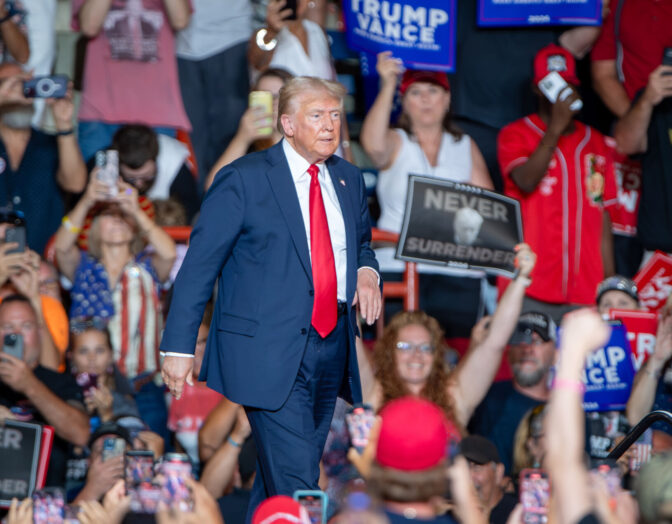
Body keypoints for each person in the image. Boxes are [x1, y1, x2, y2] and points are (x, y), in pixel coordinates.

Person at [160, 76, 381, 517]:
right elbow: (199, 266)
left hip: (331, 346)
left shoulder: (349, 179)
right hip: (266, 352)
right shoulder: (244, 179)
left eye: (335, 115)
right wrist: (178, 346)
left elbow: (361, 242)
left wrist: (367, 271)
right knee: (299, 479)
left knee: (277, 480)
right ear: (287, 124)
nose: (329, 126)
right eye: (316, 116)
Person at [361, 52, 494, 336]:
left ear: (447, 99)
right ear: (404, 102)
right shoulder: (396, 140)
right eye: (415, 92)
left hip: (457, 271)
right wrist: (387, 85)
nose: (425, 99)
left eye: (433, 91)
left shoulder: (464, 145)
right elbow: (372, 146)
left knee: (457, 361)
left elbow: (489, 207)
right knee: (395, 361)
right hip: (398, 266)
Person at [497, 43, 618, 322]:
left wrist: (608, 285)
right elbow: (527, 181)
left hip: (587, 291)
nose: (562, 93)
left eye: (568, 85)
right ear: (538, 89)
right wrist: (555, 129)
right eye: (553, 85)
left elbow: (603, 216)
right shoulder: (515, 134)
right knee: (527, 362)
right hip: (529, 287)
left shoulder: (597, 142)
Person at [358, 244, 535, 433]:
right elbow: (352, 338)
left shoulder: (453, 399)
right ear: (389, 353)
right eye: (405, 346)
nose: (416, 355)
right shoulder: (373, 394)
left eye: (426, 348)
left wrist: (521, 278)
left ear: (437, 356)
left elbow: (494, 343)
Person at [53, 175, 176, 437]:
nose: (118, 219)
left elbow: (169, 253)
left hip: (143, 387)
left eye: (124, 216)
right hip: (91, 386)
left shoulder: (148, 266)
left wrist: (137, 212)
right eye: (109, 215)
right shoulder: (84, 267)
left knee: (151, 459)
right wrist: (87, 201)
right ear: (94, 226)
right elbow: (61, 248)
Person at [72, 0, 192, 163]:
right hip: (100, 110)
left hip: (158, 110)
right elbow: (89, 26)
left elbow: (181, 20)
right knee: (98, 184)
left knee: (157, 187)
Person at [0, 294, 90, 487]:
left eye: (26, 326)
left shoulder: (60, 382)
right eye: (8, 327)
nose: (17, 335)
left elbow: (80, 434)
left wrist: (29, 385)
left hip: (45, 505)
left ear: (39, 332)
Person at [0, 63, 87, 253]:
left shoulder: (53, 144)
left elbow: (76, 184)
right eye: (8, 84)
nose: (18, 90)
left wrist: (64, 123)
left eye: (24, 84)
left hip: (42, 267)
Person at [469, 312, 557, 473]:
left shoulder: (568, 409)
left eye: (537, 341)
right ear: (508, 352)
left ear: (556, 354)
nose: (528, 348)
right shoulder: (485, 397)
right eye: (520, 340)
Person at [176, 0, 253, 184]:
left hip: (230, 35)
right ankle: (200, 209)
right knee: (192, 145)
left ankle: (232, 203)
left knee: (231, 136)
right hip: (180, 42)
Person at [204, 67, 294, 191]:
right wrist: (242, 138)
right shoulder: (243, 146)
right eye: (264, 97)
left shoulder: (307, 143)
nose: (273, 103)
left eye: (279, 96)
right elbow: (212, 188)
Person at [109, 124, 200, 222]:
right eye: (131, 178)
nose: (138, 183)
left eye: (147, 177)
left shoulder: (175, 165)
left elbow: (190, 212)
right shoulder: (107, 163)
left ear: (156, 159)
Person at [69, 319, 139, 425]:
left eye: (99, 350)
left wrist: (107, 415)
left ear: (111, 356)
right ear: (71, 357)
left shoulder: (124, 403)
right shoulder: (61, 398)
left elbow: (132, 437)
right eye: (83, 351)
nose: (91, 357)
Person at [460, 435, 517, 524]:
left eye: (476, 468)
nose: (469, 478)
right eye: (463, 469)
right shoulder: (450, 516)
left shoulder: (516, 515)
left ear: (498, 473)